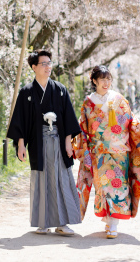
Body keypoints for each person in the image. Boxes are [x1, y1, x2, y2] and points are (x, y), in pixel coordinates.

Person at [75, 65, 140, 239]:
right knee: (102, 186)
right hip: (98, 151)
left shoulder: (119, 99)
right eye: (102, 79)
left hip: (119, 150)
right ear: (94, 81)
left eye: (108, 79)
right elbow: (83, 128)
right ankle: (108, 220)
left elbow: (132, 122)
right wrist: (81, 147)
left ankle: (114, 224)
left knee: (118, 185)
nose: (106, 83)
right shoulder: (88, 102)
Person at [7, 50, 82, 236]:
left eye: (49, 63)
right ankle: (43, 222)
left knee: (61, 179)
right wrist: (21, 145)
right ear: (34, 67)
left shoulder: (59, 89)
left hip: (58, 139)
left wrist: (67, 142)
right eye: (44, 64)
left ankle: (62, 223)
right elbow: (21, 120)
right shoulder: (26, 92)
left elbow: (68, 118)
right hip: (37, 143)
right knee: (41, 180)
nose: (48, 67)